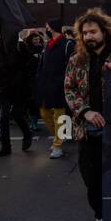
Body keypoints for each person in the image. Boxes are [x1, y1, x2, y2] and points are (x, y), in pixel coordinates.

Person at [65, 8, 111, 221]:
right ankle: (101, 217)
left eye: (93, 31)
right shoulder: (77, 59)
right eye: (84, 33)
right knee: (91, 179)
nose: (88, 37)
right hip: (88, 131)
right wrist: (85, 111)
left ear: (105, 31)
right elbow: (69, 89)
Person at [0, 30, 36, 156]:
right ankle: (5, 146)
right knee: (3, 117)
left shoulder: (20, 46)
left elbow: (32, 61)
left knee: (16, 114)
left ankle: (27, 134)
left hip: (19, 88)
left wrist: (22, 75)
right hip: (4, 87)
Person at [35, 22, 74, 159]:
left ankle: (58, 145)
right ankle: (60, 137)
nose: (46, 29)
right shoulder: (48, 44)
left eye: (47, 26)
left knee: (60, 116)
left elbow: (72, 65)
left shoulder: (68, 44)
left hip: (60, 86)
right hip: (45, 85)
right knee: (44, 113)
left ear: (53, 27)